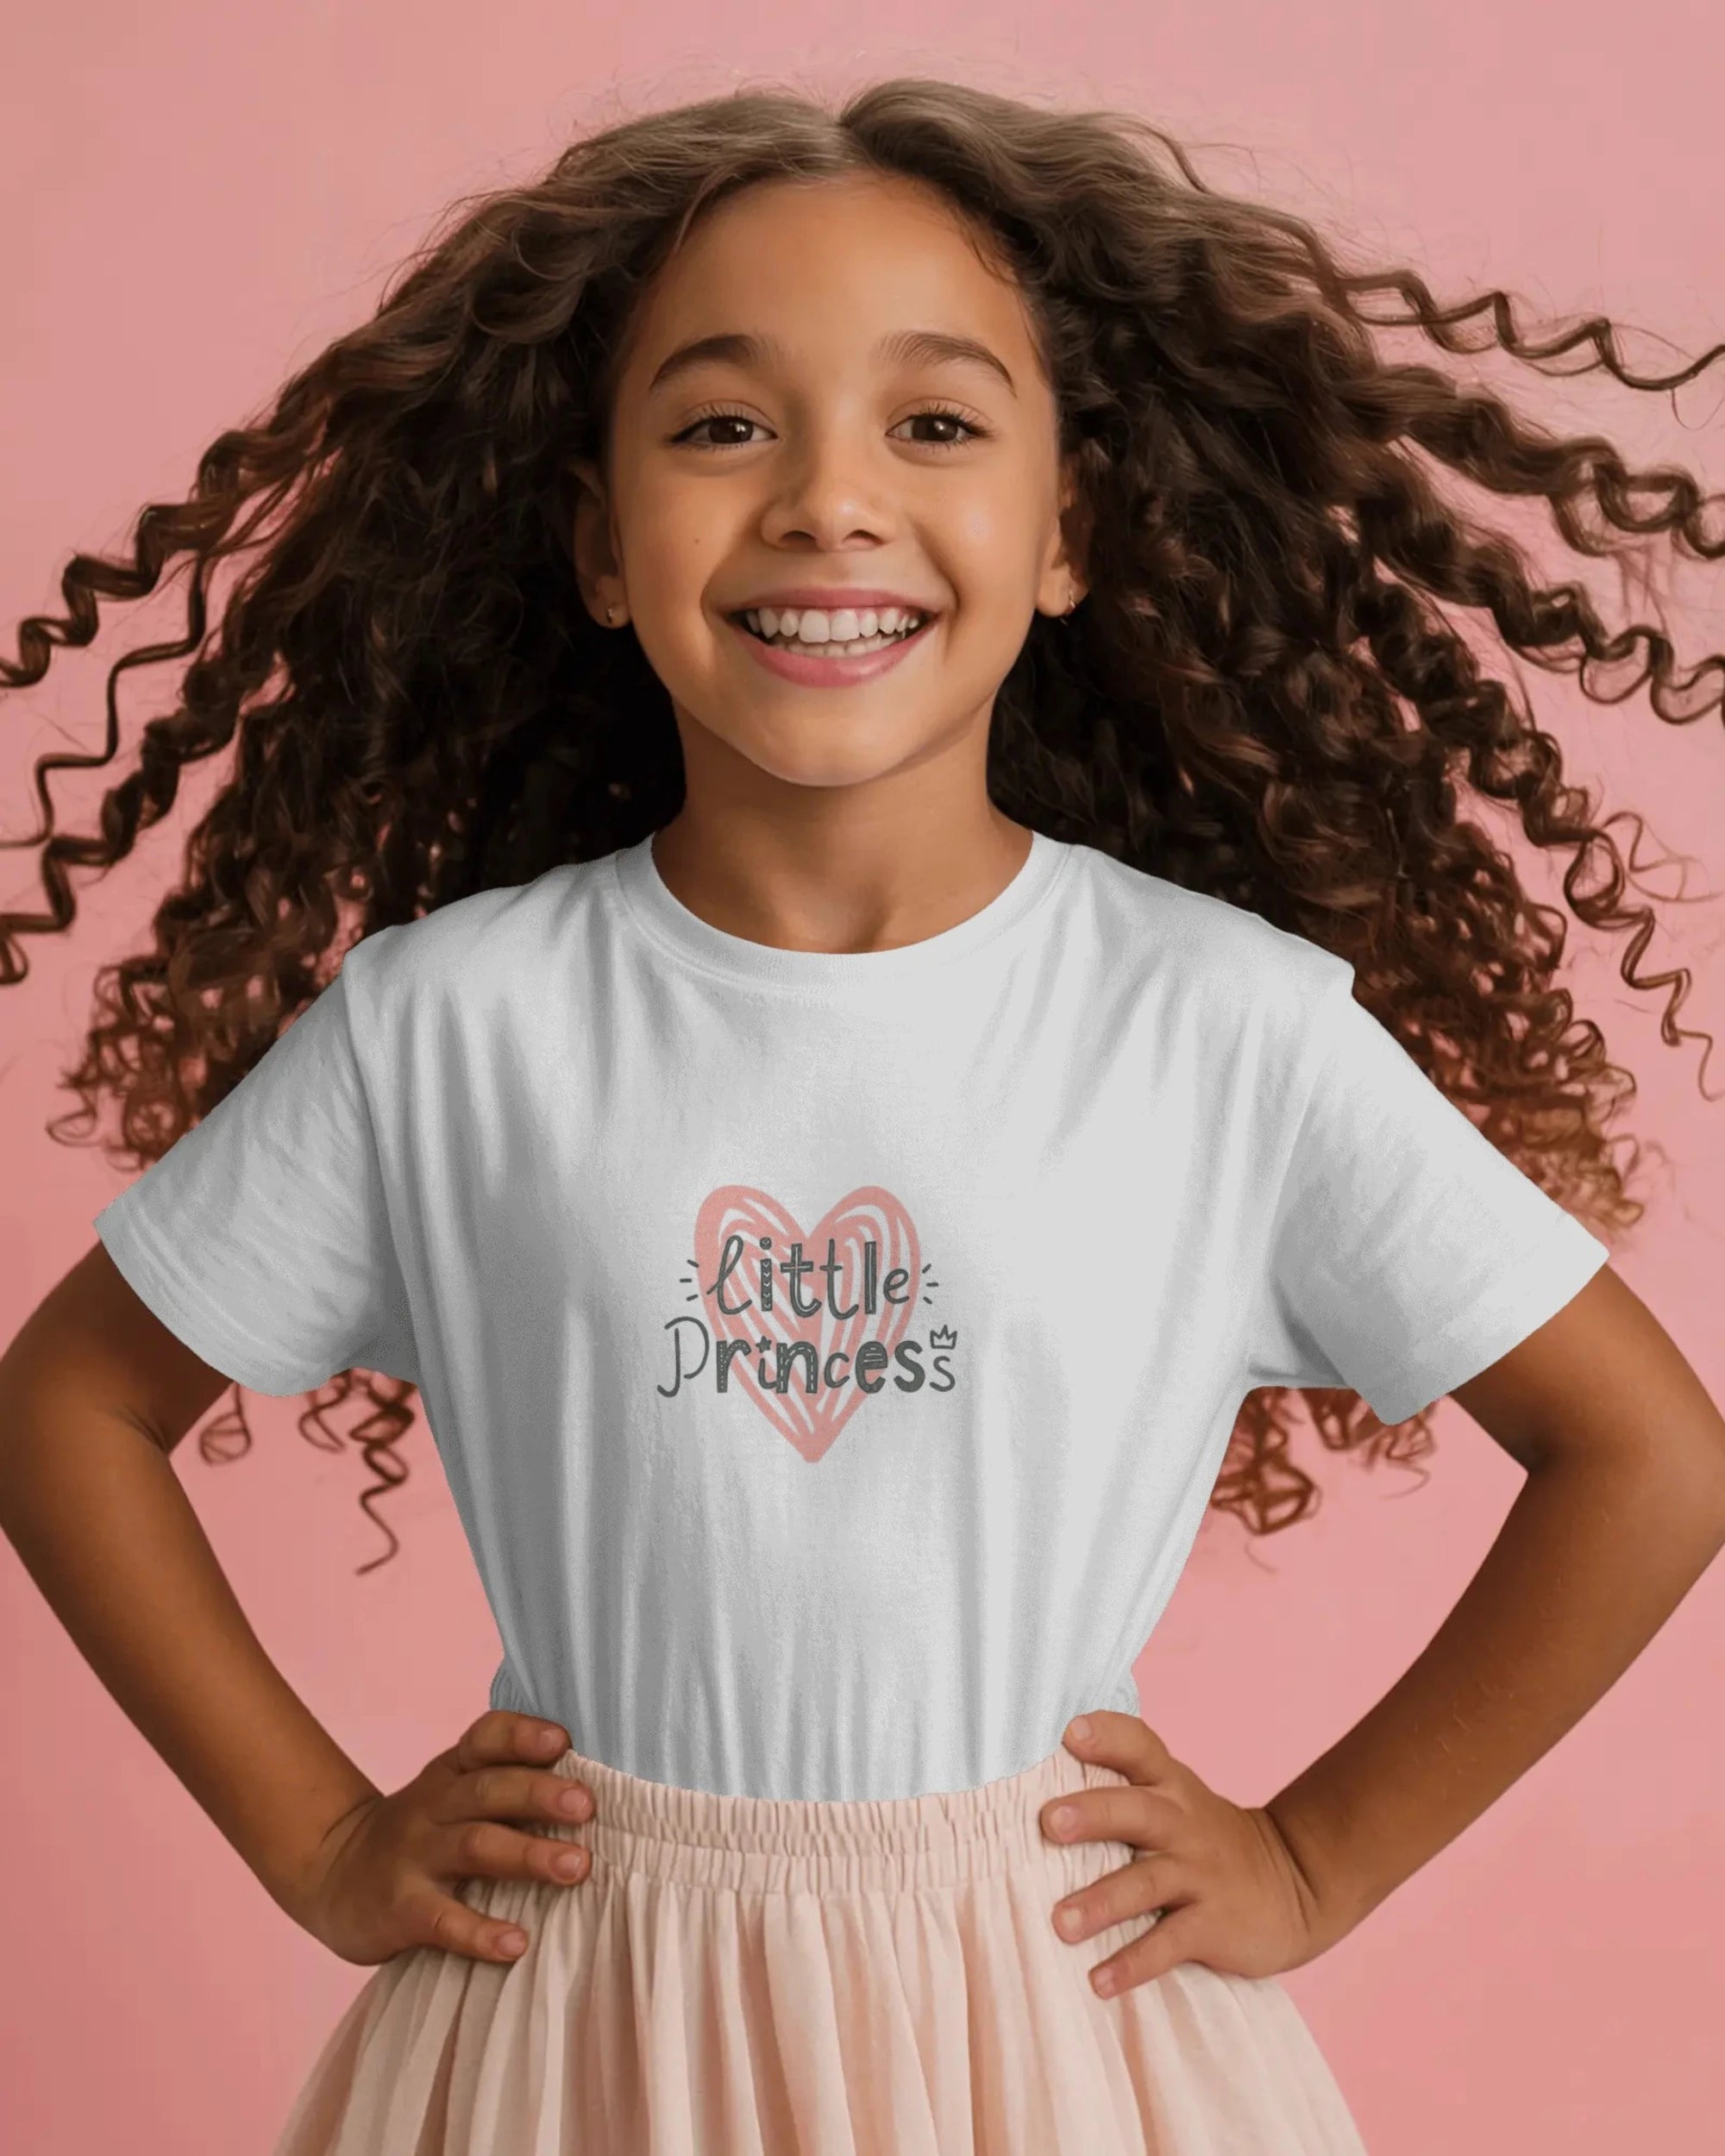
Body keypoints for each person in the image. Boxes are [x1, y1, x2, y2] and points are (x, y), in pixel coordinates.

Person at [2, 74, 1723, 2156]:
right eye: (726, 423)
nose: (829, 499)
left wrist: (1312, 1855)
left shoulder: (1213, 1027)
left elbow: (1646, 1453)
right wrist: (316, 1835)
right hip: (569, 2026)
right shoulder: (449, 1027)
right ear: (599, 544)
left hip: (1057, 2024)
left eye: (934, 422)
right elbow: (66, 1403)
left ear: (1068, 531)